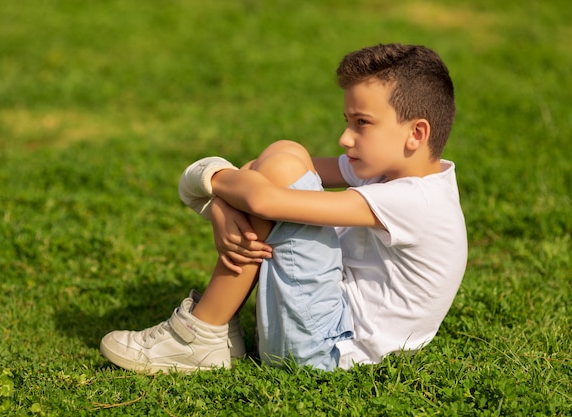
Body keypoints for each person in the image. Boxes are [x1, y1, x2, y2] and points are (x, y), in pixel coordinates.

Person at [99, 43, 468, 373]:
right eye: (347, 122)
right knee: (287, 152)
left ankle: (200, 334)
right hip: (321, 324)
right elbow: (265, 171)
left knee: (284, 167)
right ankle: (216, 330)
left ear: (416, 133)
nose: (344, 138)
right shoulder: (397, 173)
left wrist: (205, 182)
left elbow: (263, 197)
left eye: (362, 124)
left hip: (325, 349)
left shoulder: (415, 201)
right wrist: (220, 208)